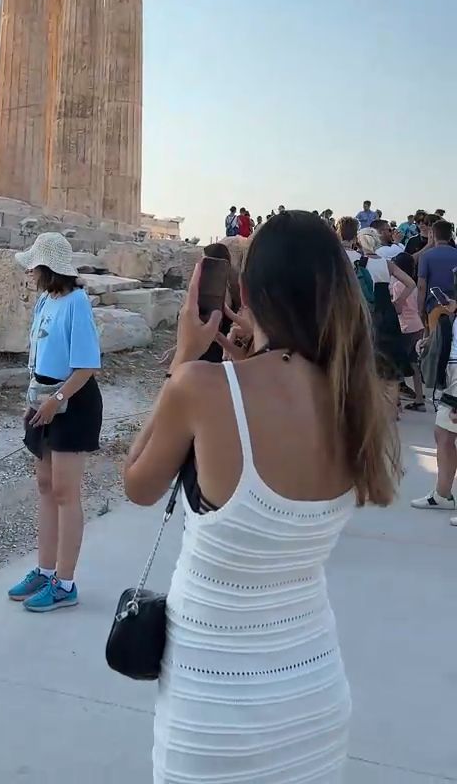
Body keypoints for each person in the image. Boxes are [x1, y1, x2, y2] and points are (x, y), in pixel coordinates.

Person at [125, 211, 398, 784]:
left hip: (214, 706)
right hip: (314, 691)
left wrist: (184, 358)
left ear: (246, 293)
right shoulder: (357, 398)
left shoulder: (202, 388)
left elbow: (137, 484)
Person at [8, 233, 102, 612]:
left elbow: (87, 366)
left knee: (66, 492)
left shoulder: (77, 302)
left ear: (49, 268)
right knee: (45, 486)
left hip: (72, 401)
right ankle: (44, 570)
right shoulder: (46, 301)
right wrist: (33, 401)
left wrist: (57, 399)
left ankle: (65, 582)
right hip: (43, 399)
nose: (29, 271)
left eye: (34, 265)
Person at [357, 228, 416, 408]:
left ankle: (377, 403)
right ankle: (394, 402)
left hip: (370, 309)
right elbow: (410, 283)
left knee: (372, 356)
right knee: (391, 356)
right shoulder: (387, 263)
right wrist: (398, 301)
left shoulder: (360, 264)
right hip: (387, 309)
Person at [412, 300, 457, 516]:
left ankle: (443, 494)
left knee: (445, 434)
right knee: (444, 434)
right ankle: (442, 494)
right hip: (452, 375)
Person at [390, 252, 426, 411]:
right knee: (414, 364)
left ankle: (396, 401)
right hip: (417, 325)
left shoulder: (398, 285)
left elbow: (398, 308)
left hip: (404, 327)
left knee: (396, 365)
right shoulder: (414, 284)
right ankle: (419, 399)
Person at [418, 219, 457, 320]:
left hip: (434, 304)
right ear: (450, 236)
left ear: (433, 235)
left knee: (435, 335)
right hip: (455, 305)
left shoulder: (426, 256)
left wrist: (420, 310)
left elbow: (421, 286)